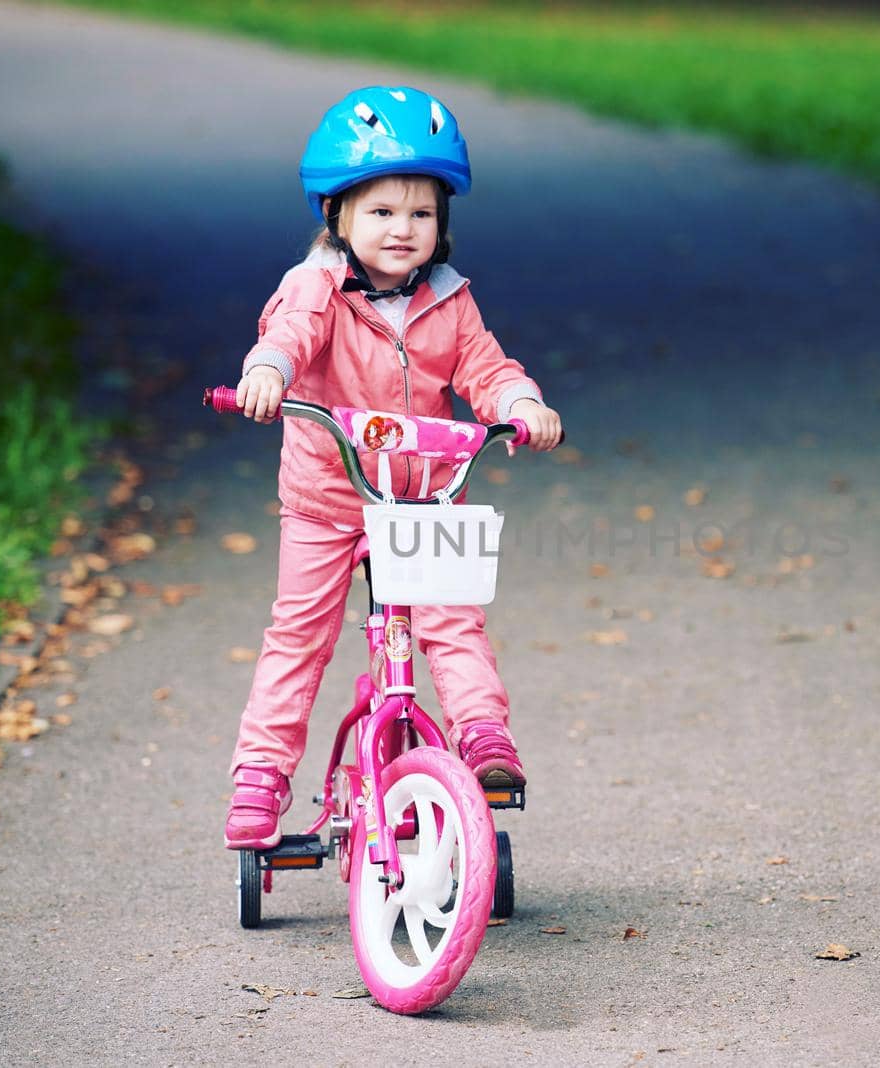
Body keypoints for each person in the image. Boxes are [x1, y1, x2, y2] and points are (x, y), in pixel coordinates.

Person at [224, 86, 563, 850]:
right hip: (326, 500)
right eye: (380, 212)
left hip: (425, 501)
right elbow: (289, 334)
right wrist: (270, 371)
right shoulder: (318, 288)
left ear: (443, 223)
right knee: (299, 635)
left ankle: (481, 740)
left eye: (421, 213)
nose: (402, 229)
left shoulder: (451, 299)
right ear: (337, 216)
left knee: (452, 623)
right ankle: (262, 772)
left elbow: (486, 367)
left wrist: (522, 402)